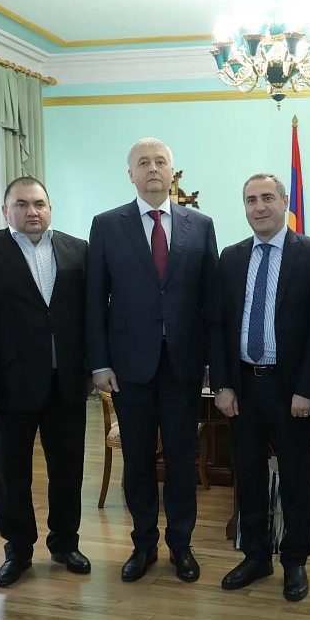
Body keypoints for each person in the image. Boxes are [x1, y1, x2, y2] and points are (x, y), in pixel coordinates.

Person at [85, 138, 220, 583]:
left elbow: (210, 301)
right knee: (138, 461)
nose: (153, 168)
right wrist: (99, 363)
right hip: (129, 368)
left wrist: (211, 362)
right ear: (131, 174)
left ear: (171, 171)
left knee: (181, 461)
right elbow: (95, 300)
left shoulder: (201, 225)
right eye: (143, 162)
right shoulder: (107, 225)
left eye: (161, 161)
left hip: (184, 365)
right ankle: (143, 544)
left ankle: (181, 545)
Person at [211, 173, 310, 602]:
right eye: (251, 200)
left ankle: (295, 560)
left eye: (267, 198)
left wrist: (307, 388)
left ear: (284, 202)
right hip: (243, 386)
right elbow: (219, 325)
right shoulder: (231, 257)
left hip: (290, 390)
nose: (259, 207)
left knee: (296, 478)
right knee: (247, 475)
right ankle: (256, 555)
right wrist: (222, 384)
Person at [0, 177, 92, 589]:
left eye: (39, 203)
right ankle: (18, 549)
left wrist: (92, 368)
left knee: (68, 469)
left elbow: (89, 315)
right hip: (10, 384)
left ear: (50, 207)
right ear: (6, 211)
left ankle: (65, 543)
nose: (31, 211)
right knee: (10, 473)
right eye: (21, 204)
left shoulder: (78, 250)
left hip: (66, 382)